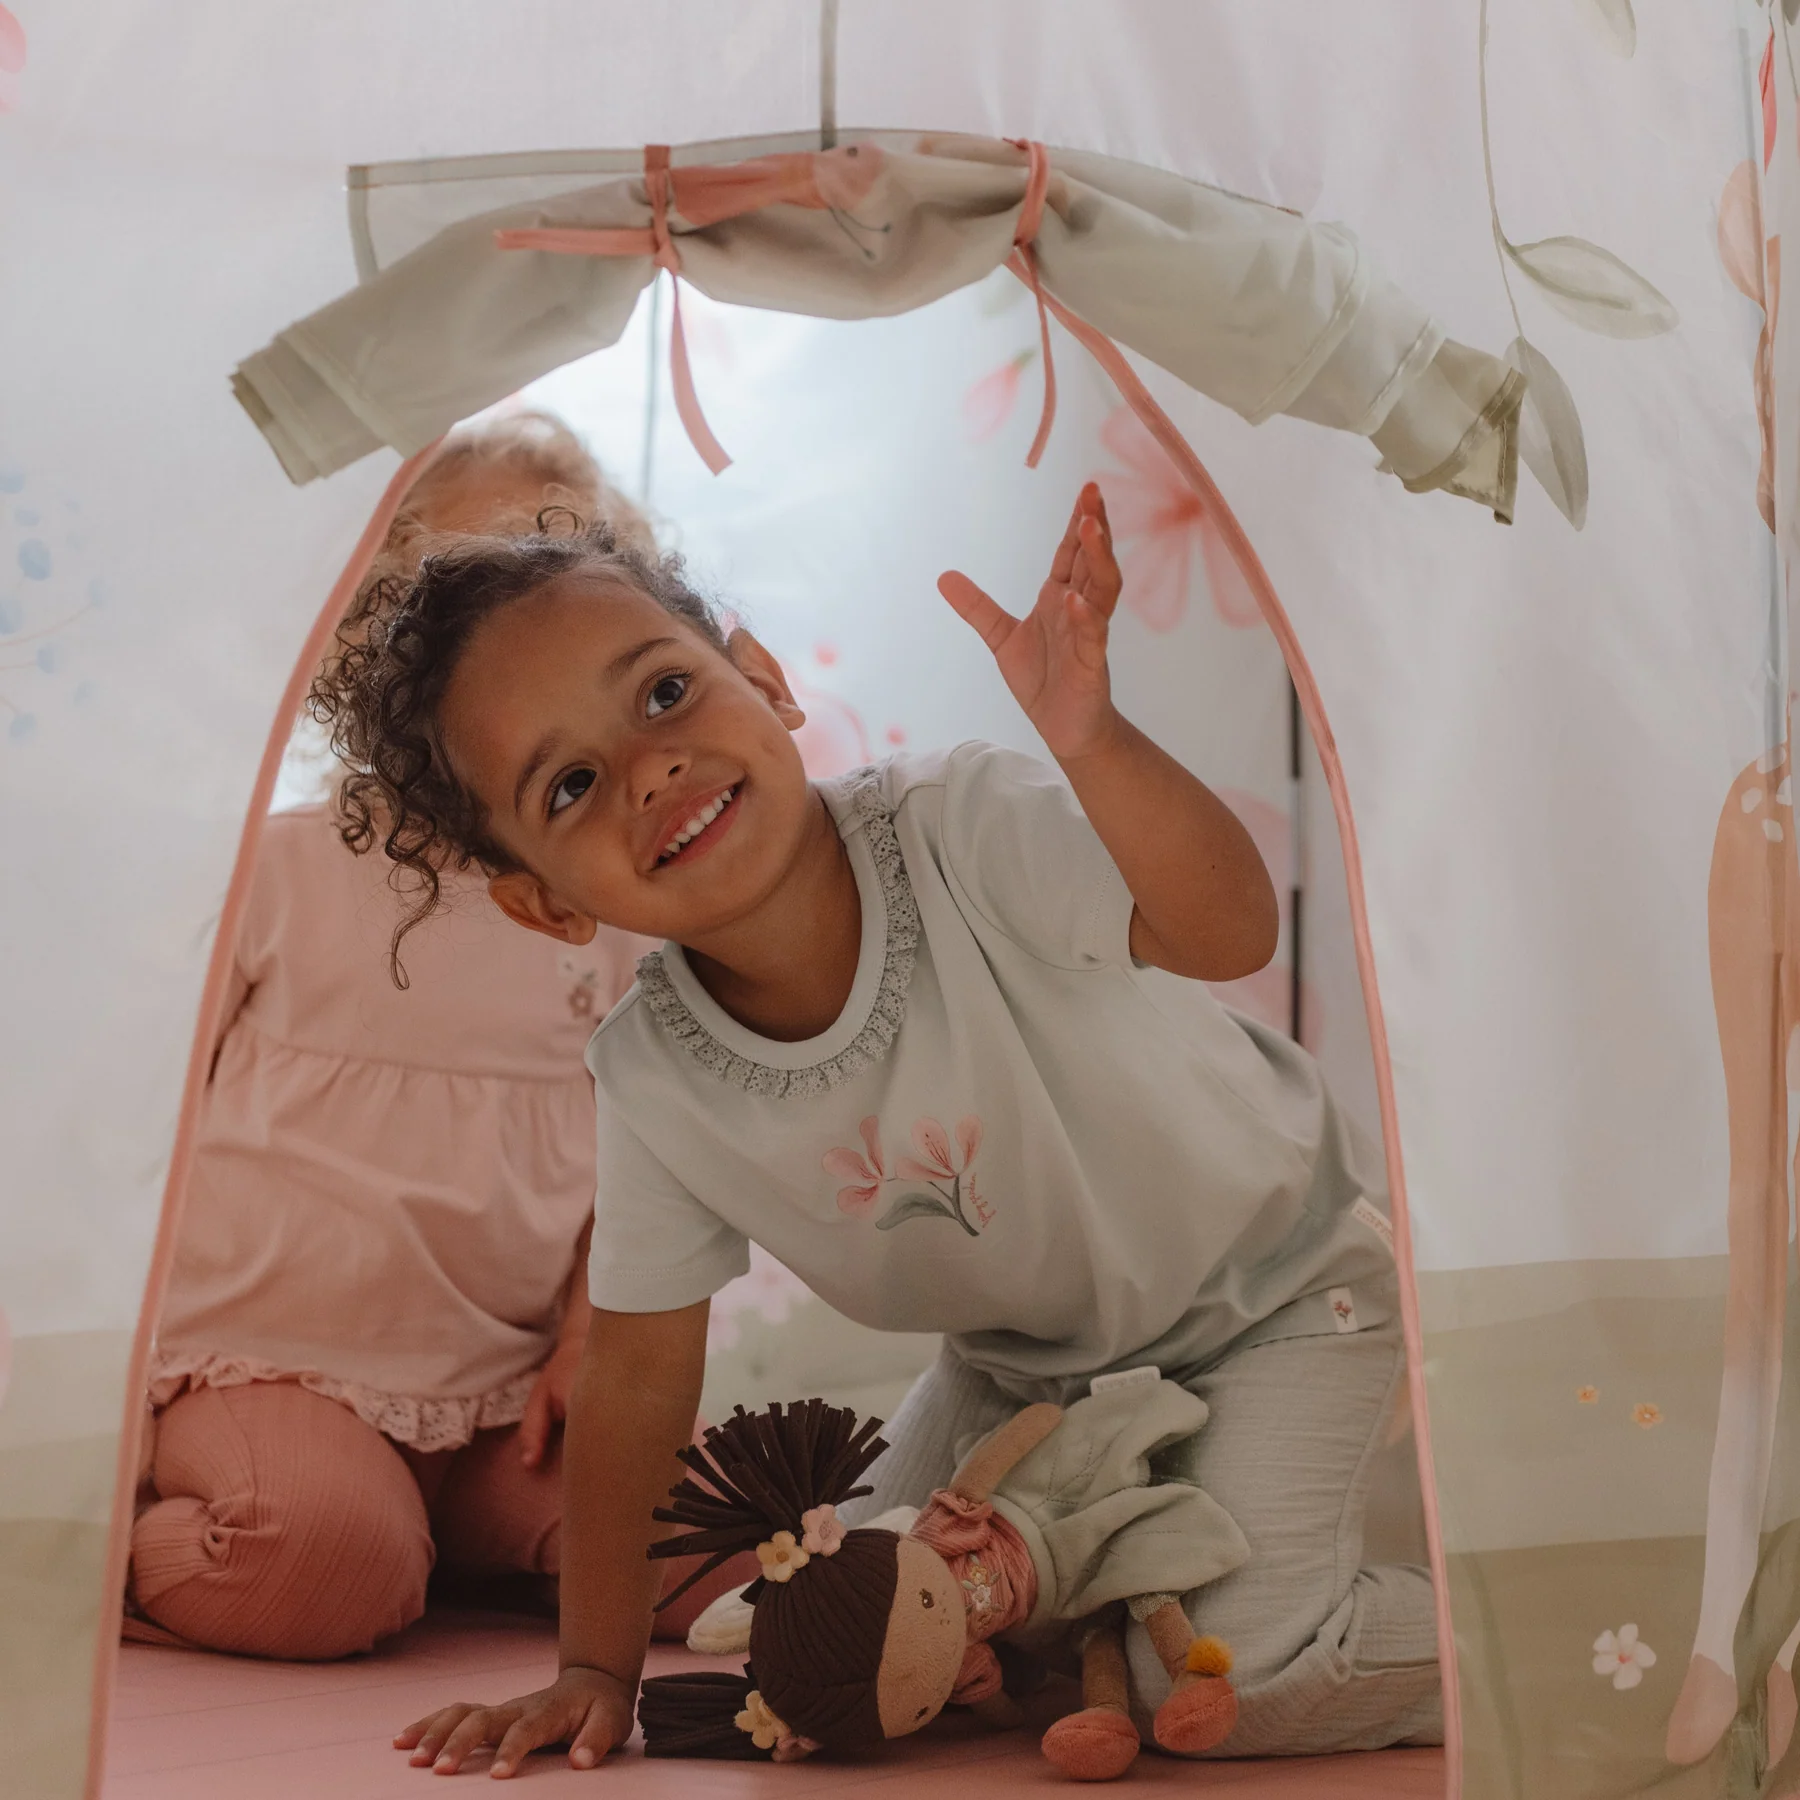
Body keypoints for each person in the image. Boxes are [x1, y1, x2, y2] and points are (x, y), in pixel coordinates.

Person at [303, 482, 1439, 1775]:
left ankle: (1462, 1624)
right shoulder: (657, 1076)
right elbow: (636, 1377)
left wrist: (1092, 737)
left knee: (1254, 1686)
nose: (648, 767)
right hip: (1024, 1378)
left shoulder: (961, 829)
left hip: (1277, 1292)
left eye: (666, 695)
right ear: (543, 903)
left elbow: (1229, 931)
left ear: (765, 680)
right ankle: (1102, 1618)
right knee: (824, 1647)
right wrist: (593, 1670)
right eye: (569, 784)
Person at [129, 413, 743, 1661]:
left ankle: (450, 1540)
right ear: (375, 652)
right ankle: (130, 1544)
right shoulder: (285, 869)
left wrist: (587, 1336)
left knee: (717, 1544)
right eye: (464, 606)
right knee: (315, 1560)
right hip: (262, 1365)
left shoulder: (621, 908)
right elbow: (141, 1115)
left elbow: (650, 1157)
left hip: (493, 1400)